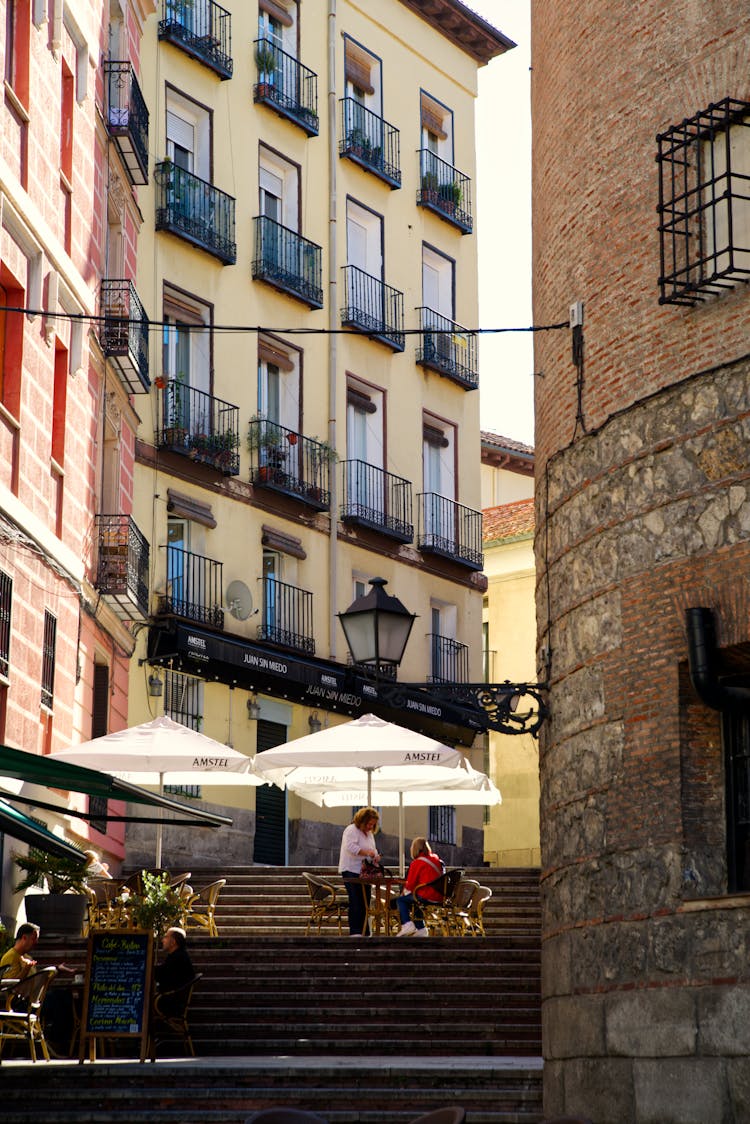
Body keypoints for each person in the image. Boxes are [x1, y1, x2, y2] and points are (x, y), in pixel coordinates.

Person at [338, 806, 381, 936]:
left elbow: (373, 849)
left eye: (372, 824)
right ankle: (356, 931)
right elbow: (350, 847)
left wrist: (375, 855)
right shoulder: (351, 830)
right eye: (368, 823)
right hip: (351, 869)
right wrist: (367, 852)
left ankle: (365, 931)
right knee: (356, 900)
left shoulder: (369, 834)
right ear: (362, 820)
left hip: (364, 872)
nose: (370, 826)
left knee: (365, 901)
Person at [394, 836, 444, 938]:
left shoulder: (417, 863)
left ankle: (407, 924)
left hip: (427, 894)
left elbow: (411, 884)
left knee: (401, 900)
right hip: (440, 895)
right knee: (415, 901)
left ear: (414, 849)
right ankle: (421, 928)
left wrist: (404, 891)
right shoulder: (436, 859)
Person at [154, 927, 195, 1015]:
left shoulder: (178, 958)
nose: (162, 940)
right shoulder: (178, 955)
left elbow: (162, 975)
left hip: (170, 1002)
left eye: (166, 937)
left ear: (173, 942)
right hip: (172, 999)